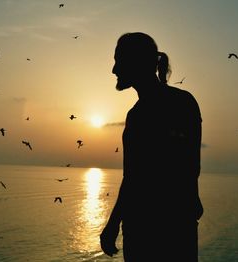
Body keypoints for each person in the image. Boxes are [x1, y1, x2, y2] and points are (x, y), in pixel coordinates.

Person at [100, 32, 203, 261]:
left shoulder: (140, 115)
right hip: (179, 227)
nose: (114, 70)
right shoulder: (184, 102)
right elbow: (190, 168)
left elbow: (134, 177)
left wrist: (112, 224)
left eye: (118, 61)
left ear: (134, 63)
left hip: (147, 232)